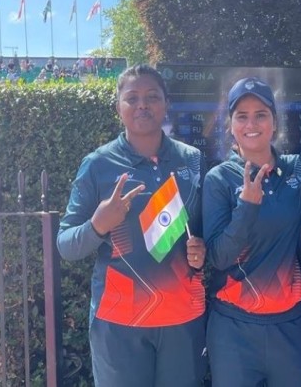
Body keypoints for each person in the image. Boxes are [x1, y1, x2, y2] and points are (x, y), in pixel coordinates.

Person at [57, 64, 208, 387]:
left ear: (166, 104)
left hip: (183, 320)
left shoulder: (192, 159)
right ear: (118, 108)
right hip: (120, 324)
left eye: (152, 97)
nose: (143, 105)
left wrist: (203, 249)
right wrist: (98, 224)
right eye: (132, 98)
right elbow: (66, 245)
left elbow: (206, 229)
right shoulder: (97, 164)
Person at [202, 77, 301, 387]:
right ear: (230, 125)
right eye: (242, 116)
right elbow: (218, 257)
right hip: (234, 329)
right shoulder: (219, 179)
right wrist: (247, 207)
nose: (251, 123)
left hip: (292, 325)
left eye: (261, 114)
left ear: (274, 122)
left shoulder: (299, 170)